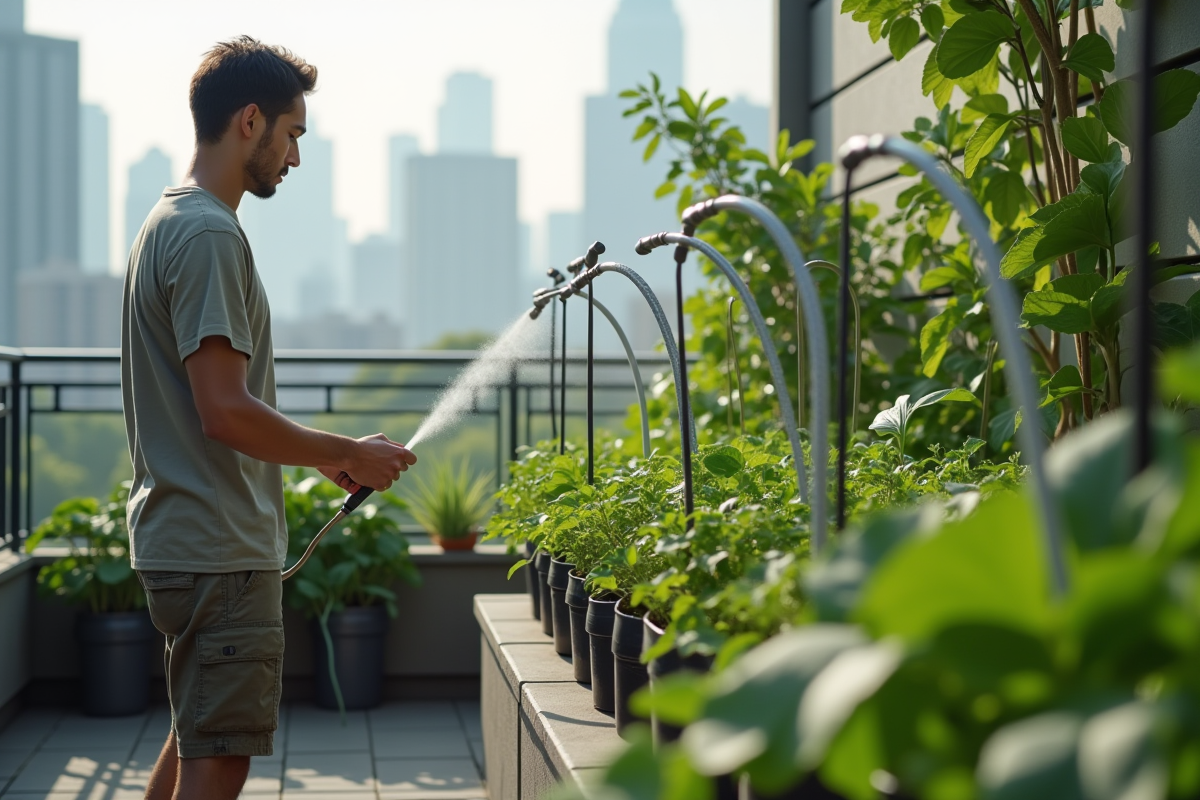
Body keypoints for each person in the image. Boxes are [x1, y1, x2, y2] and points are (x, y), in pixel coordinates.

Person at [120, 36, 416, 800]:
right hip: (219, 552)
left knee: (196, 741)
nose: (293, 156)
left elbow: (212, 406)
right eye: (292, 134)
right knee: (219, 757)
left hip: (185, 541)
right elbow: (224, 411)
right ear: (250, 121)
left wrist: (321, 459)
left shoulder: (166, 221)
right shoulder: (211, 233)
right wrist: (348, 444)